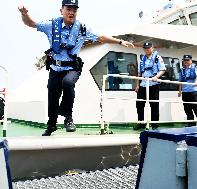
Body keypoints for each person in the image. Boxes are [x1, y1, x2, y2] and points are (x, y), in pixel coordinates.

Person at [18, 0, 134, 136]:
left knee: (68, 83)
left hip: (72, 68)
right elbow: (31, 23)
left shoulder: (81, 28)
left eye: (74, 10)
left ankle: (68, 118)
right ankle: (51, 125)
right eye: (68, 9)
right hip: (55, 68)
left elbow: (100, 37)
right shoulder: (52, 25)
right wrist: (24, 13)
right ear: (61, 10)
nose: (71, 12)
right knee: (52, 97)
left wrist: (119, 41)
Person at [134, 42, 166, 130]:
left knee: (154, 105)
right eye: (145, 48)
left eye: (148, 48)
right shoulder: (142, 59)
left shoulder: (157, 58)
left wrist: (156, 77)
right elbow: (139, 73)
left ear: (152, 48)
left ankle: (154, 124)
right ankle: (141, 123)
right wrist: (137, 85)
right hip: (143, 85)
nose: (147, 49)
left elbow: (162, 69)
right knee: (139, 104)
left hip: (153, 84)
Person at [178, 55, 197, 126]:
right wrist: (179, 91)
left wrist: (196, 82)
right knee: (187, 109)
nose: (186, 61)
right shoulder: (182, 69)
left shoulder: (195, 68)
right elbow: (180, 81)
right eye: (185, 60)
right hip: (185, 92)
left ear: (191, 61)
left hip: (193, 91)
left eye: (187, 60)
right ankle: (191, 124)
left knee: (196, 108)